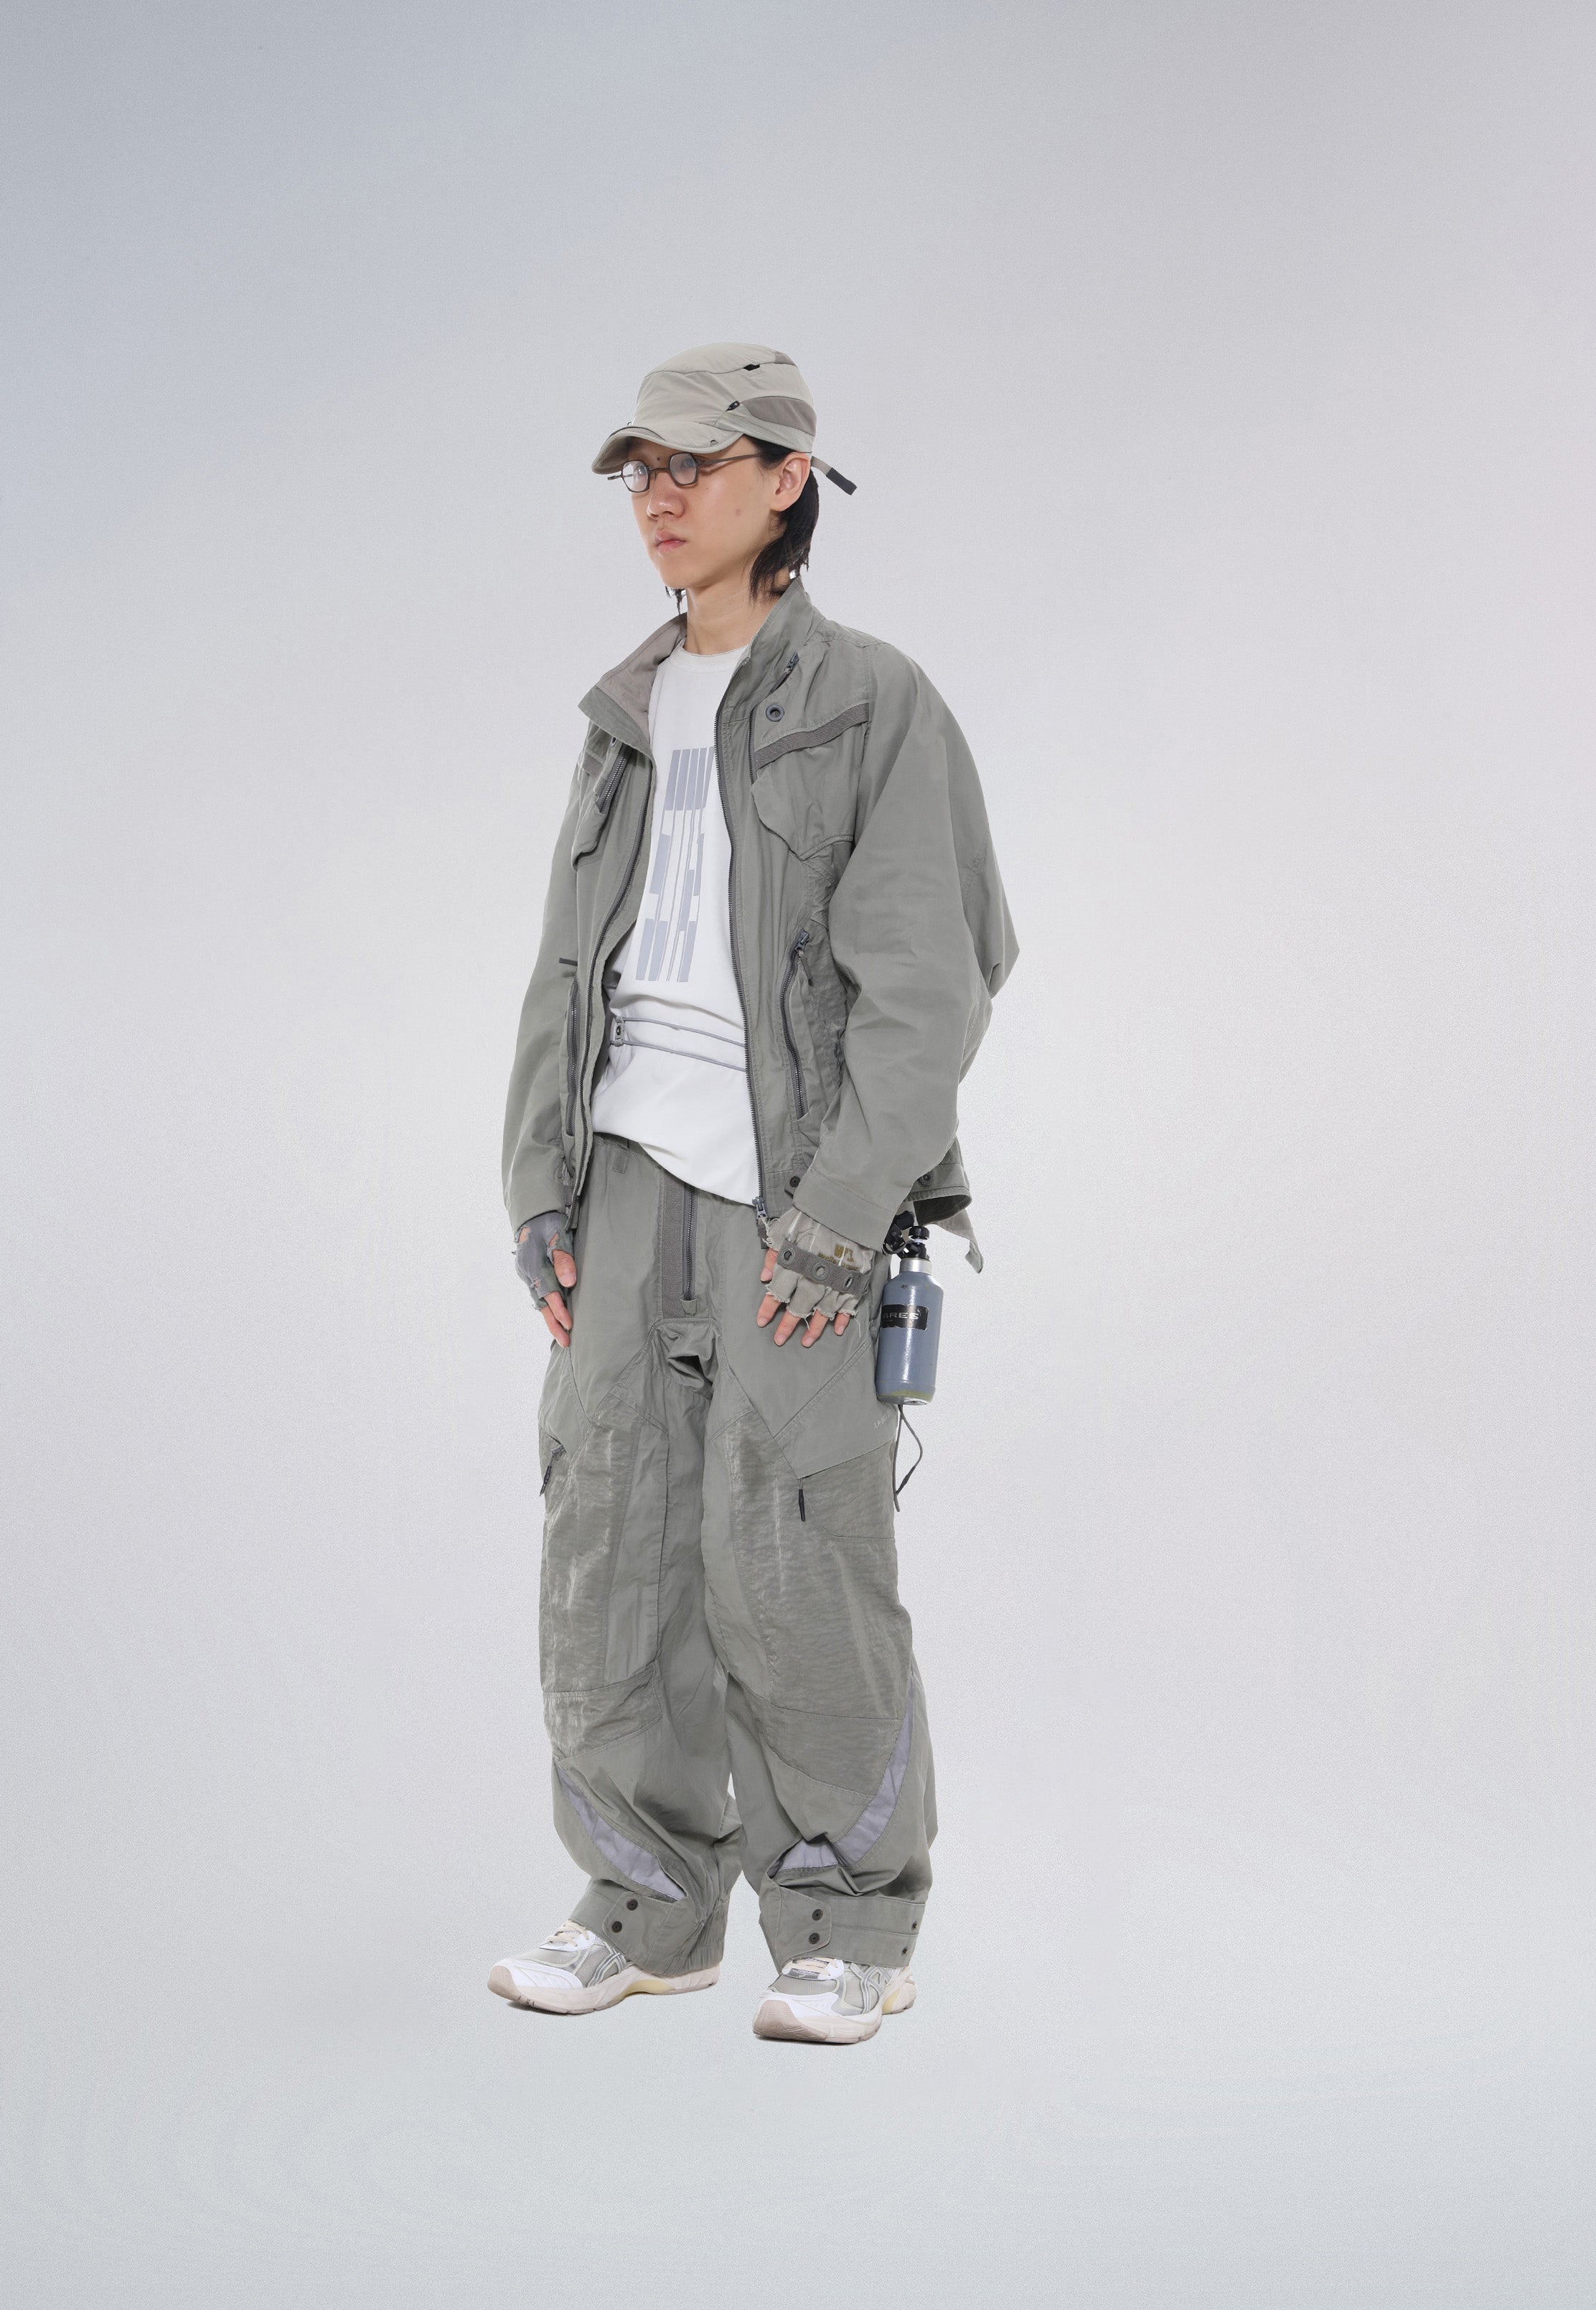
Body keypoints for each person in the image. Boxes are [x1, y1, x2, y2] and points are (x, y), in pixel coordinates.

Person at [492, 342, 1016, 2044]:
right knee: (609, 1543)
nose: (658, 495)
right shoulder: (622, 713)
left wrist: (844, 1210)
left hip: (796, 1198)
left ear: (786, 479)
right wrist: (536, 1183)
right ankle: (646, 1905)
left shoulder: (872, 702)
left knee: (792, 1550)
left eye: (694, 463)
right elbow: (563, 968)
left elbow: (931, 984)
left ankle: (850, 1920)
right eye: (638, 469)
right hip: (625, 1183)